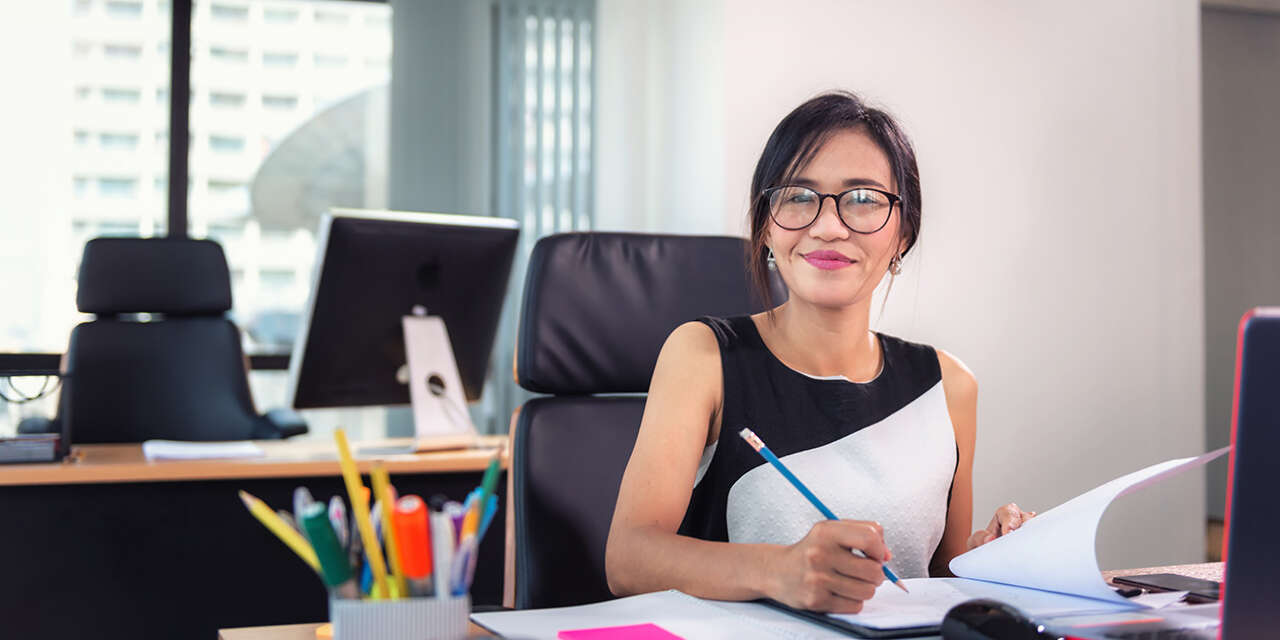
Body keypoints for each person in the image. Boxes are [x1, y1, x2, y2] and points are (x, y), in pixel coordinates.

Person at [604, 91, 1034, 614]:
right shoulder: (702, 355)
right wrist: (779, 570)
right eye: (798, 196)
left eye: (863, 199)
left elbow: (930, 579)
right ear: (765, 226)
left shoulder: (949, 385)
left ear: (904, 233)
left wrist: (991, 560)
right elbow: (628, 559)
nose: (828, 226)